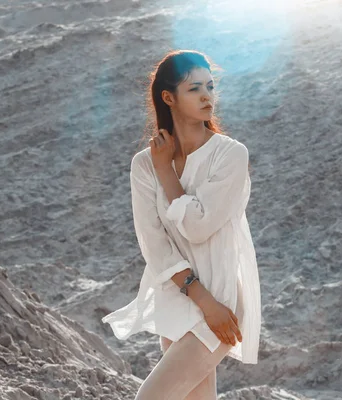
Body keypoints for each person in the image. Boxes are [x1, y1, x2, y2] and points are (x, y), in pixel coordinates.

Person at [101, 50, 262, 399]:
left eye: (210, 86)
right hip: (177, 299)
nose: (207, 96)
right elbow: (154, 244)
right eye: (194, 88)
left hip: (221, 300)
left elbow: (198, 226)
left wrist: (166, 173)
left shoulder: (230, 155)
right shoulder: (143, 164)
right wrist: (157, 166)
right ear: (169, 97)